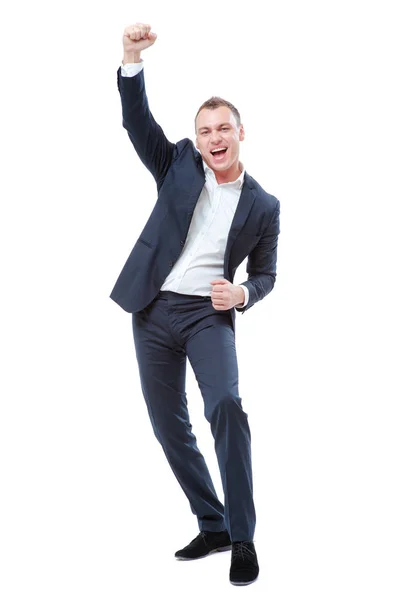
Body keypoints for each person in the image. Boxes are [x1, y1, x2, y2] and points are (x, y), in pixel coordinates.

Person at [110, 22, 280, 586]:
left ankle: (243, 538)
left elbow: (267, 274)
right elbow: (138, 123)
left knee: (226, 407)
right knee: (168, 426)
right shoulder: (178, 164)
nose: (214, 137)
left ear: (240, 133)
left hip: (210, 315)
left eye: (223, 127)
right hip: (153, 310)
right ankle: (212, 522)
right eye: (205, 129)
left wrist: (244, 293)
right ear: (197, 137)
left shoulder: (263, 205)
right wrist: (132, 58)